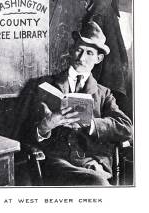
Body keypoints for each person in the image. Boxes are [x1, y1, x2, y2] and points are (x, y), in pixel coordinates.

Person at [19, 21, 132, 186]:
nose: (82, 57)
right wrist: (44, 127)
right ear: (71, 51)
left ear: (99, 58)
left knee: (97, 181)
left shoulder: (104, 93)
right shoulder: (43, 86)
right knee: (98, 184)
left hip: (92, 160)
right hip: (58, 162)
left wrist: (92, 124)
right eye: (79, 50)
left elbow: (126, 127)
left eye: (89, 53)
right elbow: (22, 132)